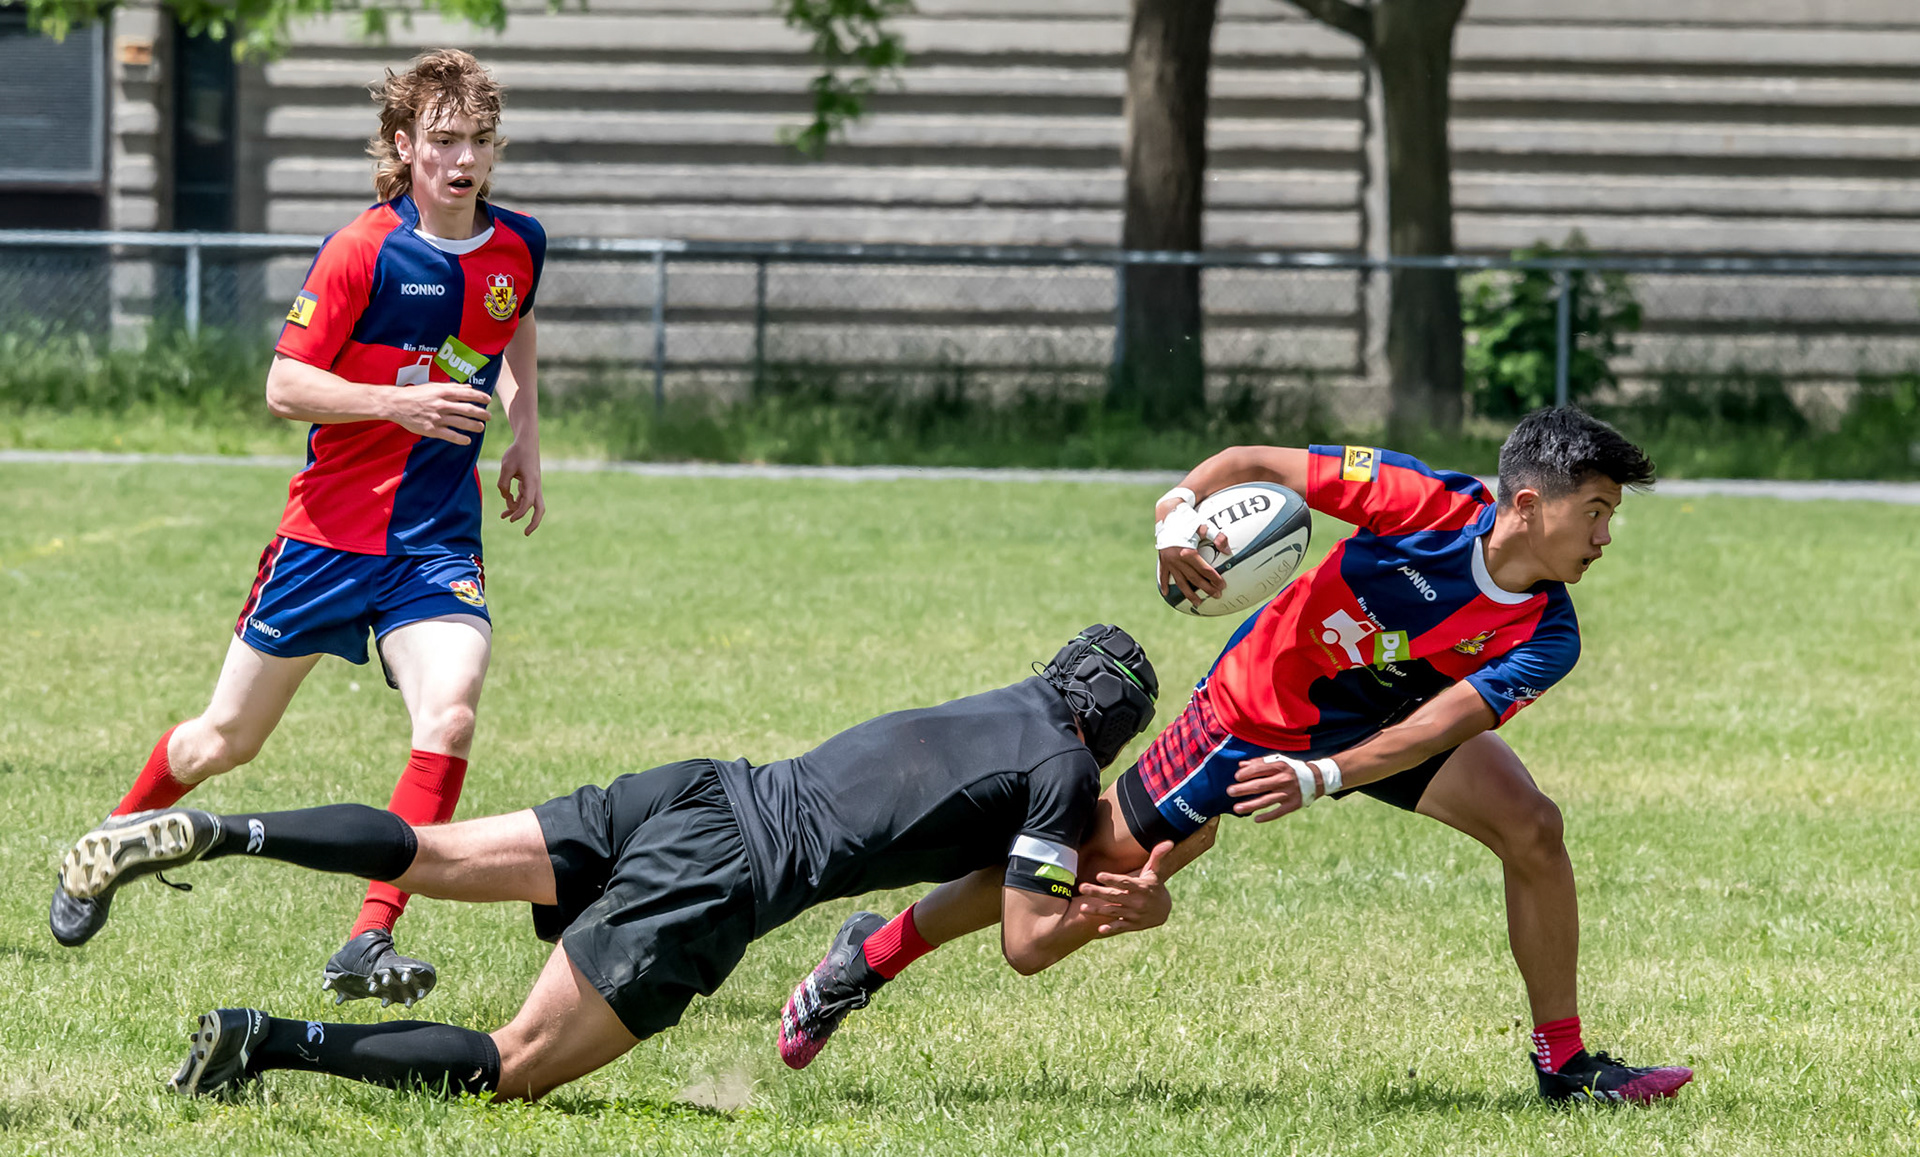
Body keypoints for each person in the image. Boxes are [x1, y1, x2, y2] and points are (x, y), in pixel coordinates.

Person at [780, 408, 1695, 1105]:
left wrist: (1326, 775)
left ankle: (1565, 1063)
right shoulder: (1419, 503)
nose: (1606, 537)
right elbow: (1252, 464)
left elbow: (1443, 724)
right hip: (1258, 708)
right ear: (1529, 506)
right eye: (1598, 512)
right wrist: (1177, 511)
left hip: (1388, 718)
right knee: (1102, 857)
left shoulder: (1548, 630)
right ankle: (871, 955)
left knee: (1534, 829)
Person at [55, 628, 1181, 1101]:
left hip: (697, 787)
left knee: (431, 851)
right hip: (726, 875)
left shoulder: (1002, 706)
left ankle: (225, 830)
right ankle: (268, 1043)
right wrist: (1121, 910)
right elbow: (1028, 943)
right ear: (1116, 734)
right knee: (513, 1067)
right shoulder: (1061, 777)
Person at [49, 50, 547, 1008]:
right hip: (324, 540)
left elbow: (511, 323)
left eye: (480, 141)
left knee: (450, 712)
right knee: (222, 743)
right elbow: (285, 385)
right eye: (443, 140)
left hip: (434, 542)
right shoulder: (363, 248)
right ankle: (107, 842)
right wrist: (390, 407)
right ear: (404, 147)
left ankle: (367, 938)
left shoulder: (518, 242)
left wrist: (524, 433)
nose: (464, 159)